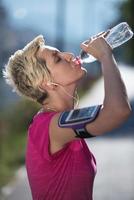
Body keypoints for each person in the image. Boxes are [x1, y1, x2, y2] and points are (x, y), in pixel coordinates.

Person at [3, 33, 131, 200]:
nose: (69, 56)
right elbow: (116, 111)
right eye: (57, 59)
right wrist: (105, 56)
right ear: (47, 83)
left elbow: (113, 110)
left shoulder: (60, 120)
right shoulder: (50, 126)